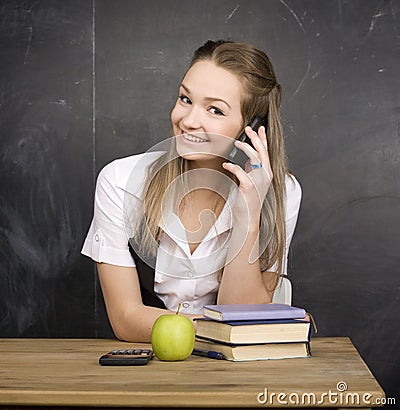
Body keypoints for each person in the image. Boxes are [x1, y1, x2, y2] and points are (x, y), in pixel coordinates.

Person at [81, 40, 302, 342]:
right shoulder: (120, 182)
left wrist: (248, 215)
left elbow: (242, 312)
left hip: (236, 375)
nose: (188, 121)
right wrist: (219, 327)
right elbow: (126, 319)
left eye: (214, 110)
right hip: (152, 365)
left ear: (250, 129)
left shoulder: (282, 193)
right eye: (185, 99)